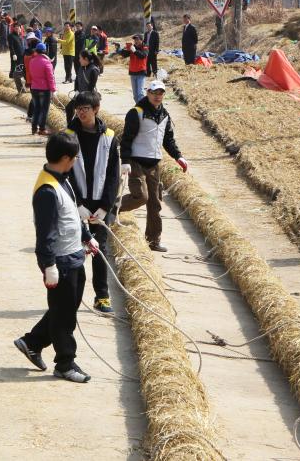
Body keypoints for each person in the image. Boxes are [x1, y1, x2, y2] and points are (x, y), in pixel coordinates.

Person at [14, 132, 99, 384]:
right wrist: (48, 265)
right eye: (74, 158)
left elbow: (72, 212)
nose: (75, 162)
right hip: (60, 261)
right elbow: (46, 233)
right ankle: (65, 362)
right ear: (65, 158)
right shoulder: (47, 191)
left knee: (65, 308)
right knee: (65, 317)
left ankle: (32, 342)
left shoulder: (62, 179)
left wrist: (86, 235)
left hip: (74, 255)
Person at [64, 91, 120, 314]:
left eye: (86, 108)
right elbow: (65, 172)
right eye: (78, 108)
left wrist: (105, 207)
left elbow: (113, 175)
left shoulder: (109, 136)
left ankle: (102, 296)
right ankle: (70, 296)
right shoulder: (68, 136)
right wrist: (77, 204)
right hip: (76, 203)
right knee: (71, 249)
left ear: (96, 109)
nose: (81, 112)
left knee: (100, 249)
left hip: (100, 205)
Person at [119, 80, 188, 252]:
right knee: (141, 196)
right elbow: (126, 139)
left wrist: (178, 156)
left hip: (153, 164)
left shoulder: (164, 115)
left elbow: (168, 140)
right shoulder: (136, 113)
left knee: (155, 203)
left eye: (161, 93)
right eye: (154, 92)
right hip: (136, 161)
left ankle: (153, 241)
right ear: (147, 93)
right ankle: (112, 208)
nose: (157, 96)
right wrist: (125, 162)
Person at [65, 50, 101, 125]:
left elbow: (91, 87)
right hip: (79, 94)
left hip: (88, 97)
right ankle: (70, 126)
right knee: (68, 108)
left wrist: (82, 96)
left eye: (80, 58)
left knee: (82, 113)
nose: (79, 60)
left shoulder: (94, 70)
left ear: (86, 59)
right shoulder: (81, 67)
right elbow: (77, 79)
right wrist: (76, 90)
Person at [28, 42, 56, 136]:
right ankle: (42, 129)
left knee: (37, 108)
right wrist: (53, 89)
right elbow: (50, 77)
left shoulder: (32, 61)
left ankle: (34, 128)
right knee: (44, 109)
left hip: (34, 88)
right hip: (45, 89)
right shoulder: (47, 62)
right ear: (45, 51)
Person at [126, 34, 149, 104]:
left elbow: (143, 56)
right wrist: (119, 49)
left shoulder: (145, 47)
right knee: (135, 95)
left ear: (141, 40)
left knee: (140, 93)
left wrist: (135, 51)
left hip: (141, 72)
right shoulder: (132, 47)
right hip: (133, 72)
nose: (135, 41)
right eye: (135, 39)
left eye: (137, 39)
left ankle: (142, 108)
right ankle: (139, 107)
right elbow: (124, 55)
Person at [8, 24, 26, 93]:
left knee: (20, 68)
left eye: (18, 28)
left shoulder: (20, 36)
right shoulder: (11, 36)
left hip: (21, 55)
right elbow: (11, 46)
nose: (17, 29)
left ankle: (21, 83)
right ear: (13, 29)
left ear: (20, 29)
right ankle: (12, 81)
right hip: (15, 55)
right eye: (16, 28)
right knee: (14, 68)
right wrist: (13, 54)